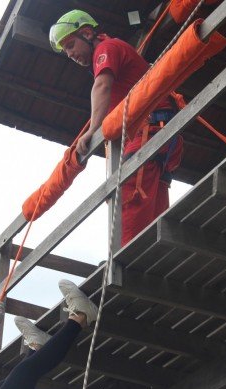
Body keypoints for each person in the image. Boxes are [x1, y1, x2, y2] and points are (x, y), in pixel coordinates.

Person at [49, 9, 183, 245]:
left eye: (70, 45)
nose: (69, 54)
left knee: (130, 190)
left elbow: (102, 86)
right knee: (153, 200)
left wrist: (93, 131)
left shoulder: (106, 48)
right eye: (65, 50)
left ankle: (125, 262)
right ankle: (151, 258)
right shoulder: (111, 49)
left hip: (150, 129)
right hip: (160, 131)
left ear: (88, 33)